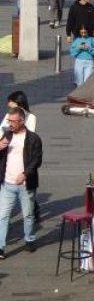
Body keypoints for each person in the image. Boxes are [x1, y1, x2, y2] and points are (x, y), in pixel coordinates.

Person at [0, 107, 42, 258]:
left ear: (22, 121)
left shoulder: (33, 138)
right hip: (7, 183)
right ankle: (1, 247)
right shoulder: (7, 135)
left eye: (13, 121)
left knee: (28, 215)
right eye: (8, 121)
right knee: (2, 216)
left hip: (25, 184)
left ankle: (30, 239)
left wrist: (25, 174)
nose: (10, 124)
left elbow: (37, 160)